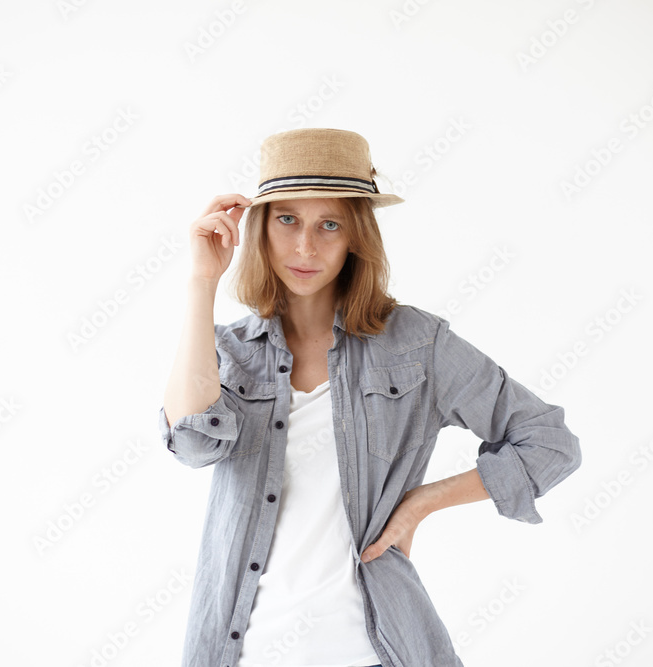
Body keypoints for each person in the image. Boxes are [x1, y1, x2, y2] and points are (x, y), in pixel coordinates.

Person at [159, 128, 581, 667]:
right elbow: (192, 444)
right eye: (287, 219)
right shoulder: (227, 351)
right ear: (260, 228)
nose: (306, 247)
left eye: (328, 224)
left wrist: (420, 504)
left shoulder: (416, 344)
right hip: (245, 651)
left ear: (355, 235)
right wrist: (201, 281)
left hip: (378, 651)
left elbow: (549, 442)